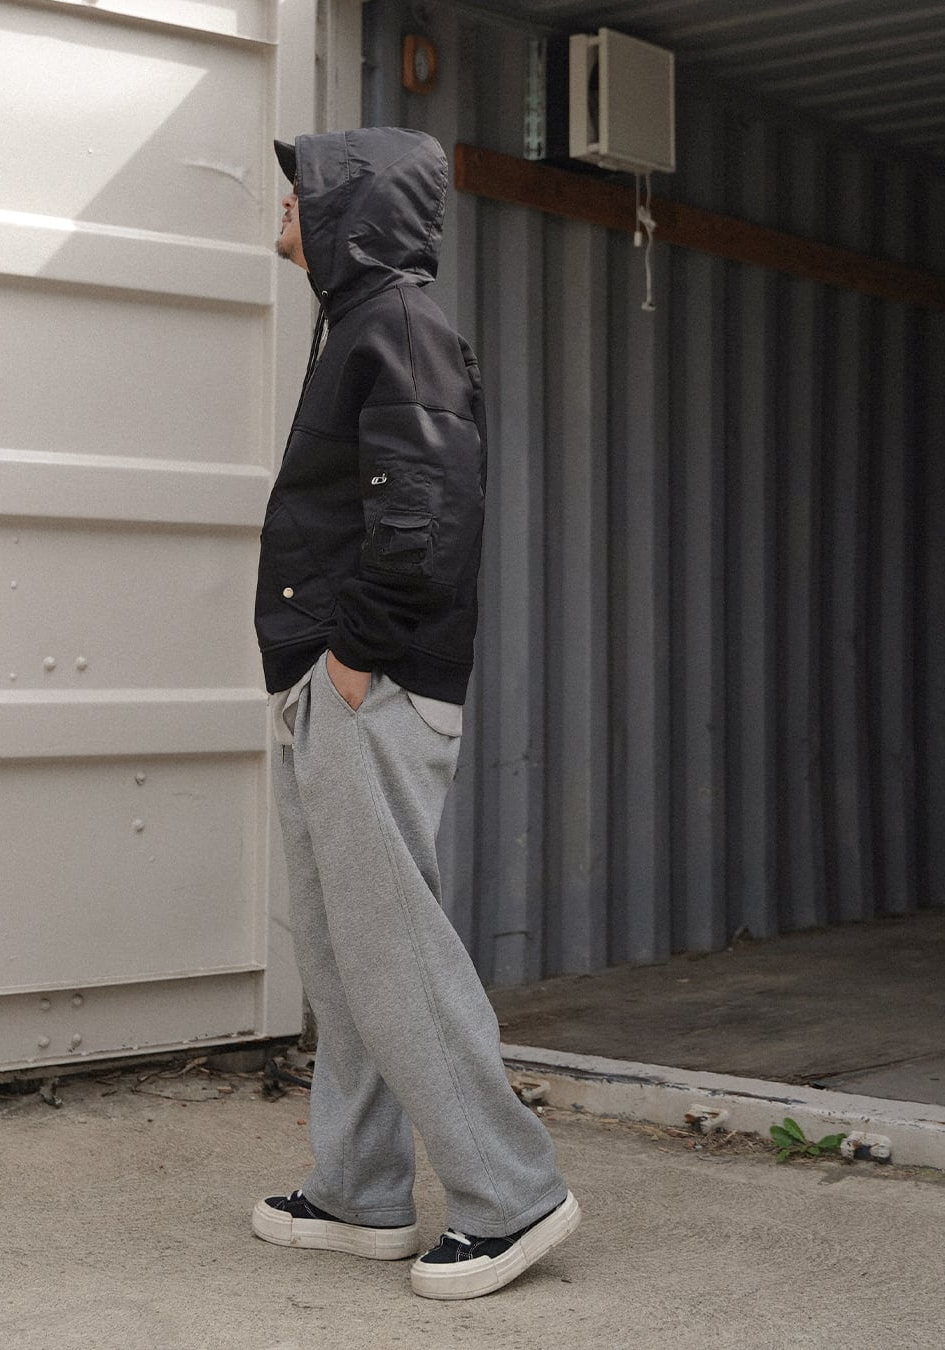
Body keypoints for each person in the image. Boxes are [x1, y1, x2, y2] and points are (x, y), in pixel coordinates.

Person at [251, 126, 579, 1301]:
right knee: (343, 958)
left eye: (298, 193)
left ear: (349, 207)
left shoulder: (399, 325)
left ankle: (512, 1195)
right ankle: (360, 1190)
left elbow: (429, 508)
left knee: (395, 956)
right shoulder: (359, 321)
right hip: (329, 679)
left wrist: (355, 653)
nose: (282, 209)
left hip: (368, 682)